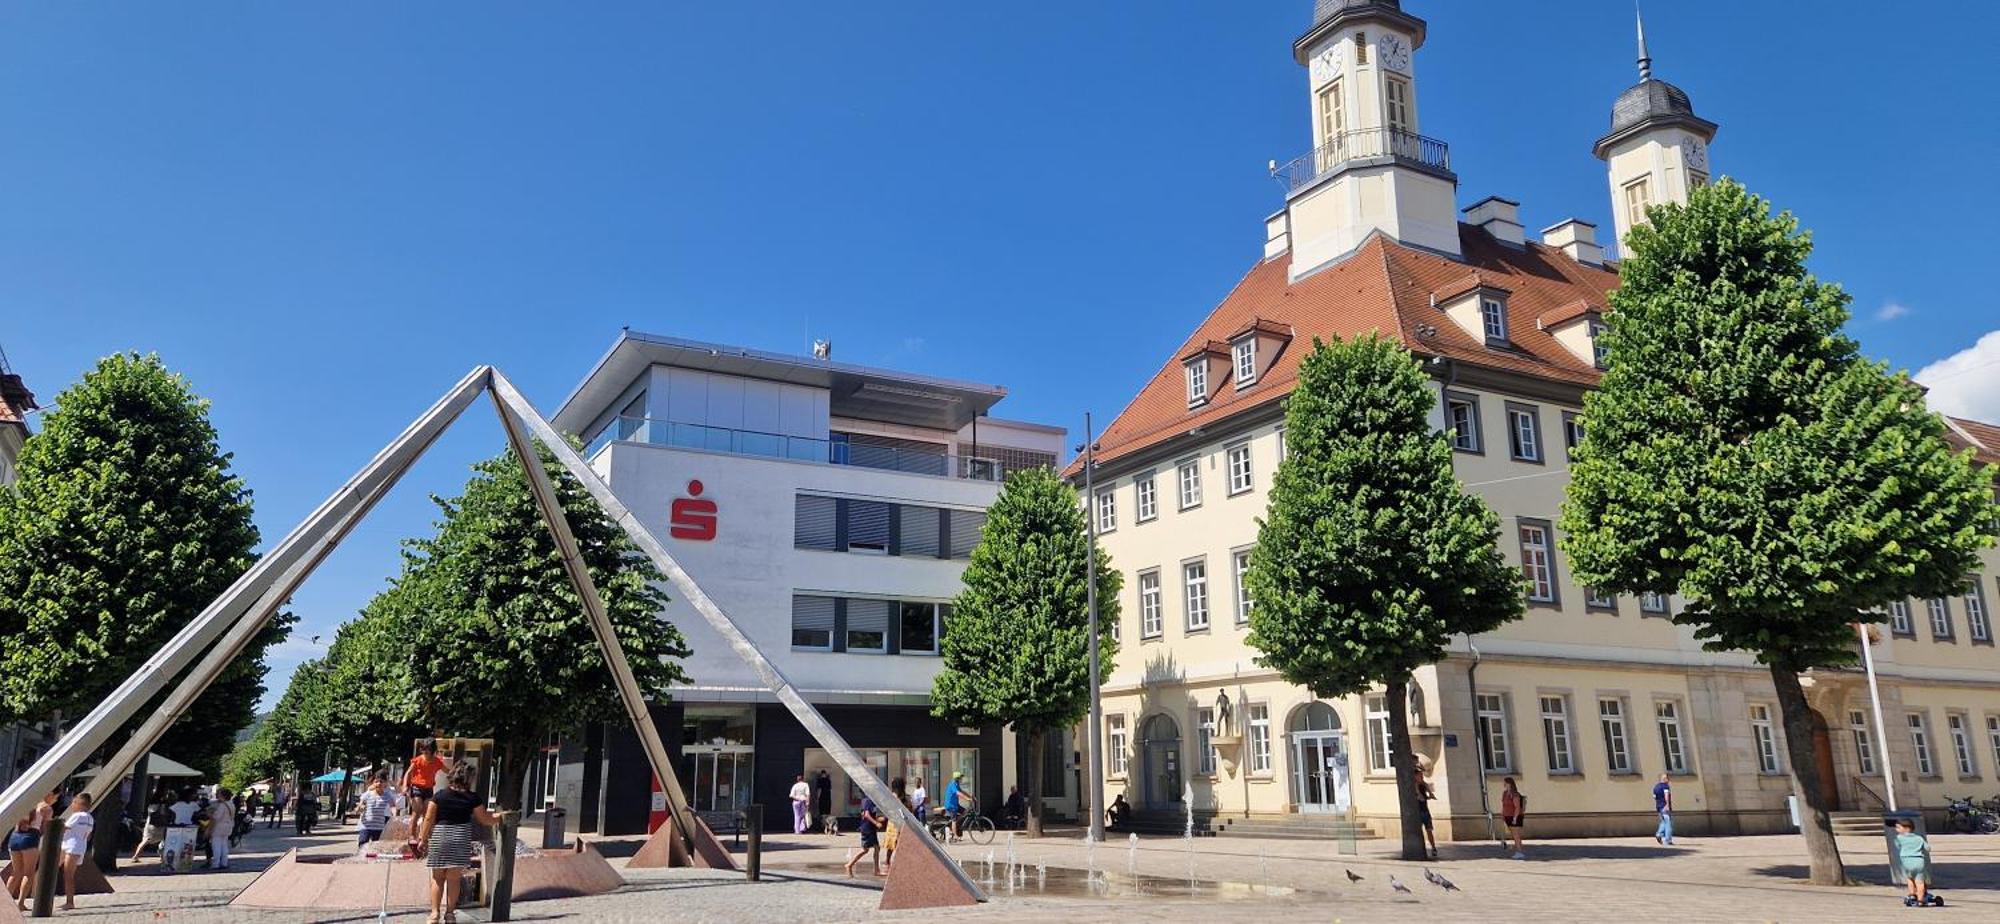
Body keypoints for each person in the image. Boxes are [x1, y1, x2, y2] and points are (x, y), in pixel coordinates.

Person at [417, 762, 501, 924]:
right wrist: (500, 817)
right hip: (460, 837)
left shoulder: (439, 796)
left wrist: (423, 839)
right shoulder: (472, 798)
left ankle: (434, 914)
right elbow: (485, 820)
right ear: (469, 779)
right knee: (454, 879)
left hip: (440, 836)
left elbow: (428, 819)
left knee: (437, 878)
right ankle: (450, 914)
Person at [8, 789, 57, 914]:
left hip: (14, 837)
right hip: (30, 838)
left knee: (16, 872)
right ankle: (20, 903)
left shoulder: (27, 803)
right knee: (28, 873)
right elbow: (44, 828)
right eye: (55, 797)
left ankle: (5, 902)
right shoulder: (46, 808)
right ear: (50, 795)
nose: (55, 800)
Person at [58, 793, 95, 911]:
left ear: (81, 804)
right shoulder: (90, 818)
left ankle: (70, 901)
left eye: (74, 802)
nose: (72, 805)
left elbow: (64, 827)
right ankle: (69, 900)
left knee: (68, 874)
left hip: (70, 846)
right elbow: (88, 835)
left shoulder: (77, 816)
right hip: (80, 846)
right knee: (69, 874)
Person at [1894, 817, 1939, 907]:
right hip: (1918, 861)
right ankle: (1921, 900)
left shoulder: (1899, 838)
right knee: (1920, 882)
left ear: (1906, 828)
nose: (1896, 829)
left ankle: (1912, 895)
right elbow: (1928, 848)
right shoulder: (1919, 838)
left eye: (1898, 827)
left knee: (1910, 879)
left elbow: (1897, 846)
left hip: (1906, 861)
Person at [843, 791, 886, 878]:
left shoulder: (871, 801)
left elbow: (870, 815)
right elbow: (866, 815)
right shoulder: (867, 801)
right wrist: (876, 823)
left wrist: (879, 819)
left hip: (871, 829)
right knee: (865, 849)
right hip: (867, 829)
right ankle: (849, 865)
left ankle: (876, 870)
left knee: (876, 848)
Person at [406, 739, 447, 826]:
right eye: (423, 750)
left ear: (433, 750)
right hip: (417, 787)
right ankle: (412, 836)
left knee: (427, 813)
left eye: (428, 750)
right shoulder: (417, 760)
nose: (425, 752)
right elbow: (408, 772)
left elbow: (447, 771)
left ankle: (423, 836)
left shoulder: (437, 761)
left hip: (428, 788)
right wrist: (405, 785)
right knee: (417, 811)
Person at [357, 775, 397, 849]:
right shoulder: (367, 794)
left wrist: (394, 815)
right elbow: (360, 805)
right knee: (362, 843)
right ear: (373, 784)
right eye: (376, 782)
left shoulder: (387, 795)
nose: (379, 783)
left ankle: (373, 860)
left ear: (384, 784)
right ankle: (361, 858)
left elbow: (392, 806)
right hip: (366, 826)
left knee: (376, 848)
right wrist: (360, 807)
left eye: (381, 782)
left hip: (378, 827)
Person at [1412, 758, 1439, 860]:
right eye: (1420, 775)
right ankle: (1419, 847)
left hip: (1425, 811)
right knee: (1420, 831)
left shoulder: (1423, 785)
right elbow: (1419, 797)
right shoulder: (1414, 786)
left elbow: (1427, 789)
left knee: (1429, 830)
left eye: (1422, 775)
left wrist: (1430, 794)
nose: (1422, 777)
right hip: (1418, 811)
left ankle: (1433, 847)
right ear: (1415, 776)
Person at [883, 777, 910, 872]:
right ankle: (890, 861)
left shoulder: (894, 796)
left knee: (894, 843)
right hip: (898, 822)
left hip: (893, 821)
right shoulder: (901, 796)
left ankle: (888, 861)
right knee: (896, 842)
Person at [207, 788, 235, 870]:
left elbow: (217, 817)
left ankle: (215, 864)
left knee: (216, 845)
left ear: (222, 795)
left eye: (218, 794)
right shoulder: (231, 804)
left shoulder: (222, 805)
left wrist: (210, 814)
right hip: (228, 827)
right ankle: (224, 862)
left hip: (219, 827)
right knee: (224, 845)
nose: (217, 795)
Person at [1500, 777, 1526, 860]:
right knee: (1513, 835)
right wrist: (1503, 815)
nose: (1504, 784)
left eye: (1505, 783)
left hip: (1515, 817)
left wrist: (1515, 818)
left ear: (1509, 784)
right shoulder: (1505, 793)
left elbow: (1517, 807)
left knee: (1516, 835)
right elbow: (1503, 805)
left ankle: (1520, 852)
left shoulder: (1515, 794)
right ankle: (1517, 851)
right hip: (1507, 816)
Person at [942, 771, 968, 839]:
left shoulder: (956, 784)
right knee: (954, 820)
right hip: (951, 805)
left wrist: (970, 797)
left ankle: (955, 825)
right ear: (957, 778)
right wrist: (967, 799)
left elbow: (962, 791)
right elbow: (958, 793)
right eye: (960, 778)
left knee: (966, 812)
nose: (961, 779)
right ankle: (955, 835)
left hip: (956, 805)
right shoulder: (953, 784)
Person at [1652, 773, 1674, 846]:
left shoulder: (1655, 787)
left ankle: (1659, 834)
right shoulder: (1665, 786)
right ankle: (1668, 840)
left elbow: (1654, 797)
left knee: (1663, 822)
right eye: (1667, 778)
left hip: (1659, 807)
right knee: (1668, 823)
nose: (1668, 780)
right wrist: (1667, 805)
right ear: (1664, 779)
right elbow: (1666, 795)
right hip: (1664, 807)